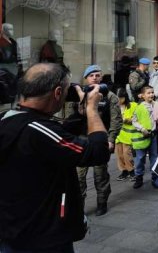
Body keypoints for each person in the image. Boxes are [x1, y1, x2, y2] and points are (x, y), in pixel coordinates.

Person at [0, 63, 110, 252]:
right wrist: (92, 109)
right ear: (58, 92)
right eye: (68, 90)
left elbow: (56, 138)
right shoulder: (37, 130)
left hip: (12, 229)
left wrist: (79, 115)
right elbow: (98, 152)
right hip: (42, 237)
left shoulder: (7, 119)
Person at [67, 64, 122, 217]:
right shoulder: (79, 94)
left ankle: (102, 202)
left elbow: (116, 120)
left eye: (98, 75)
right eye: (91, 75)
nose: (95, 78)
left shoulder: (110, 96)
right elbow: (71, 120)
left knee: (101, 175)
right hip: (81, 139)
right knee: (78, 177)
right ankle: (79, 205)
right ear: (86, 78)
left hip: (99, 139)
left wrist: (111, 139)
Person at [133, 85, 158, 189]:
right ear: (142, 96)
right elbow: (134, 121)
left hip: (153, 135)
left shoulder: (157, 105)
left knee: (154, 157)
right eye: (148, 93)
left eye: (152, 92)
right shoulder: (140, 107)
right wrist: (142, 129)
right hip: (142, 136)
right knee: (140, 158)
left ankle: (155, 177)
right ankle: (138, 176)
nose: (151, 94)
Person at [114, 88, 138, 181]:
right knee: (119, 154)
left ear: (125, 97)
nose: (119, 100)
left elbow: (138, 117)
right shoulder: (115, 107)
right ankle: (124, 171)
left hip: (129, 135)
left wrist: (128, 119)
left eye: (120, 98)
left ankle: (131, 171)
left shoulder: (133, 105)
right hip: (118, 135)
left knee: (127, 154)